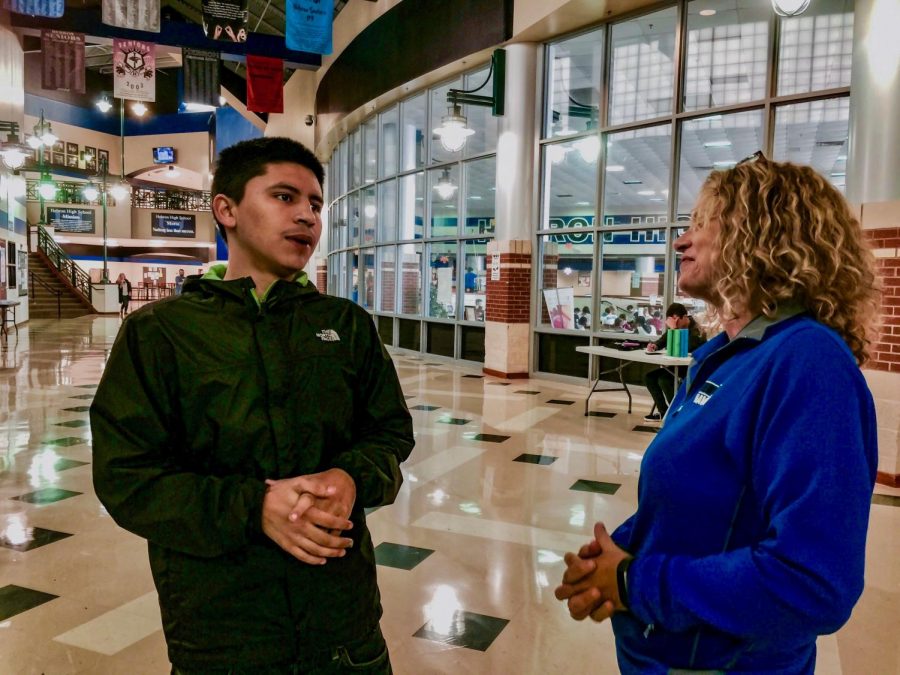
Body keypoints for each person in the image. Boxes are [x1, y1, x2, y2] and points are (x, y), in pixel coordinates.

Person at [91, 137, 415, 674]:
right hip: (221, 635)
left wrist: (353, 477)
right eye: (285, 197)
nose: (306, 217)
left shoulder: (345, 324)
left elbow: (389, 436)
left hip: (344, 627)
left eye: (315, 204)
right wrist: (252, 508)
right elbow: (128, 477)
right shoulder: (162, 333)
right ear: (227, 209)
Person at [555, 154, 879, 674]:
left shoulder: (806, 363)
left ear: (760, 236)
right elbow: (704, 507)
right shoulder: (724, 357)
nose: (681, 242)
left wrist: (634, 581)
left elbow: (814, 582)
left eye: (701, 225)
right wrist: (615, 555)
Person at [642, 302, 706, 422]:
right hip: (677, 365)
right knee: (649, 377)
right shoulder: (678, 327)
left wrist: (675, 329)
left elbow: (686, 349)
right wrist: (654, 346)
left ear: (681, 317)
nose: (674, 325)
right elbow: (663, 340)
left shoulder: (697, 329)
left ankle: (676, 413)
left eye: (675, 321)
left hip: (691, 368)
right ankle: (664, 412)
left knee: (664, 380)